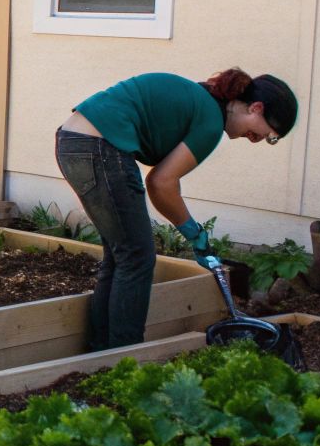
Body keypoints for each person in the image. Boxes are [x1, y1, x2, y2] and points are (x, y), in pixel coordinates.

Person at [55, 68, 298, 351]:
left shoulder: (203, 101)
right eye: (264, 135)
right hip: (99, 147)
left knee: (123, 255)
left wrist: (191, 232)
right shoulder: (210, 120)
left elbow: (166, 183)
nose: (254, 140)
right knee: (137, 257)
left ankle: (100, 354)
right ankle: (125, 358)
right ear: (256, 107)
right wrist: (194, 233)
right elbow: (161, 183)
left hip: (73, 142)